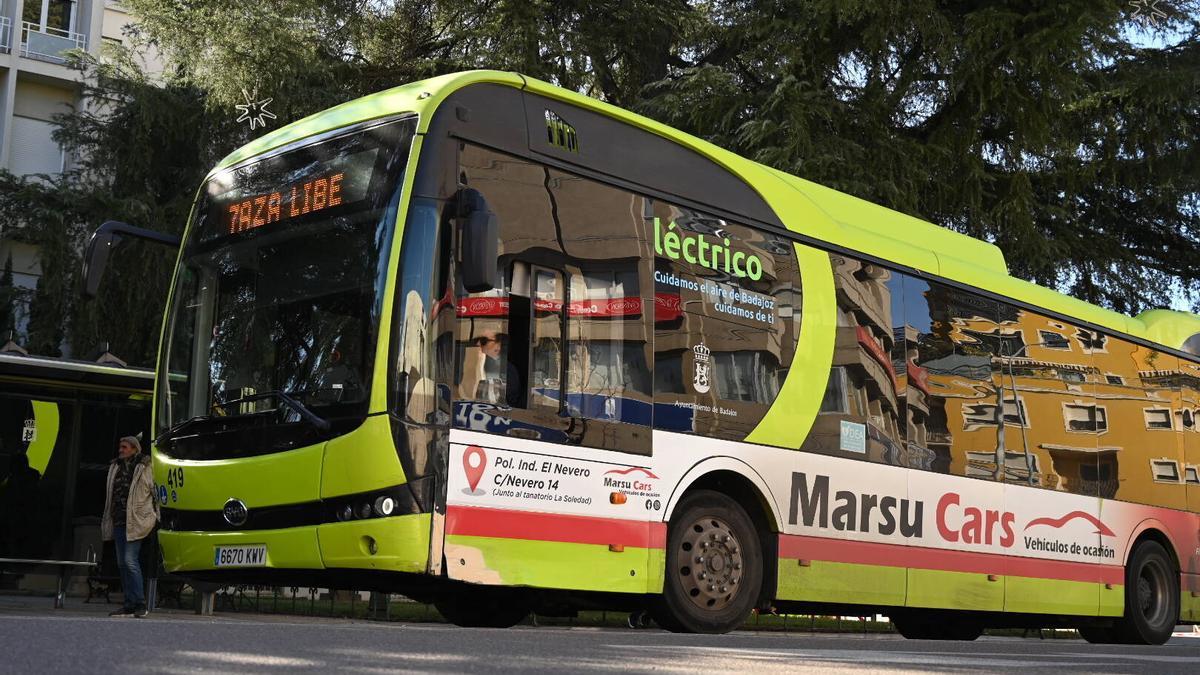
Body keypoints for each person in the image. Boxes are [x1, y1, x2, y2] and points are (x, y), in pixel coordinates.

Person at [101, 436, 159, 618]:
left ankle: (140, 603)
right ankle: (129, 603)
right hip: (119, 520)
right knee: (122, 563)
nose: (121, 449)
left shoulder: (145, 467)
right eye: (120, 446)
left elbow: (156, 492)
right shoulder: (115, 466)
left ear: (135, 449)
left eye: (125, 447)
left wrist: (155, 515)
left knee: (129, 560)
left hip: (137, 521)